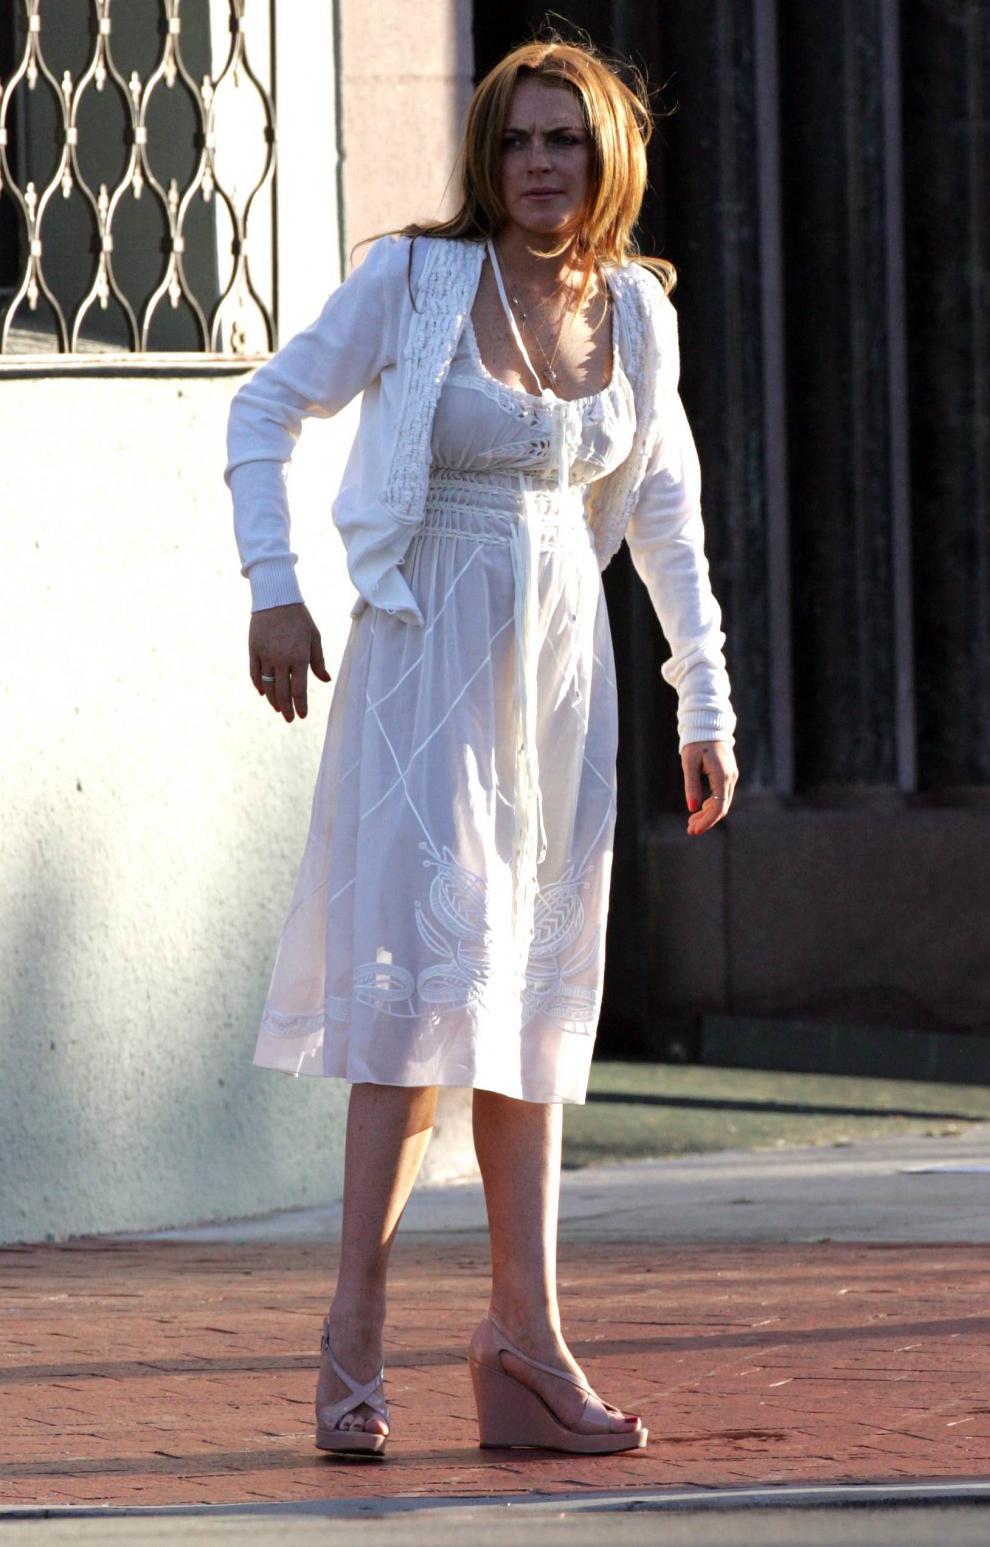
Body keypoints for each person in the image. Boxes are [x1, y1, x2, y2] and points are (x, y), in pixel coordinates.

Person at [224, 36, 738, 1459]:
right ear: (484, 155)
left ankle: (525, 1340)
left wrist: (703, 698)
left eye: (563, 139)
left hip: (560, 686)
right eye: (515, 139)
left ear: (607, 156)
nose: (537, 164)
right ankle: (354, 1330)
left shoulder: (637, 311)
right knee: (413, 1005)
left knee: (533, 1005)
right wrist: (275, 587)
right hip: (420, 669)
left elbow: (667, 517)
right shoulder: (412, 279)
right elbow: (264, 408)